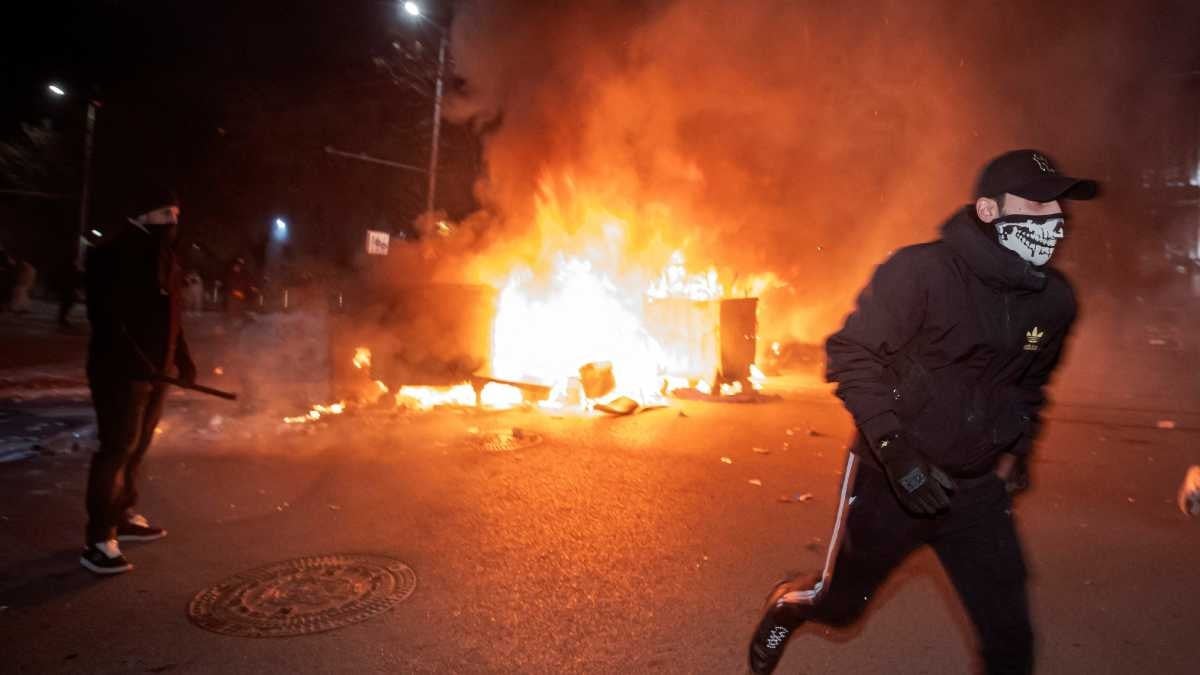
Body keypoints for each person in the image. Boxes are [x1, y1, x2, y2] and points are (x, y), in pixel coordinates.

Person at [748, 149, 1097, 674]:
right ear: (989, 211)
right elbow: (850, 354)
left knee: (1011, 644)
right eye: (1037, 205)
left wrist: (1021, 447)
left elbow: (1030, 383)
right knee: (840, 607)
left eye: (1059, 207)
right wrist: (896, 454)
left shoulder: (1055, 302)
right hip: (890, 484)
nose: (1054, 220)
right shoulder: (920, 273)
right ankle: (788, 607)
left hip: (976, 492)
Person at [80, 184, 197, 575]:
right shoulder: (111, 256)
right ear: (140, 216)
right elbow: (108, 321)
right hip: (120, 373)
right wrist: (138, 363)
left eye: (176, 214)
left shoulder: (168, 258)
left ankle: (122, 514)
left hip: (156, 374)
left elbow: (172, 318)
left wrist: (182, 359)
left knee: (138, 447)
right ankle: (98, 540)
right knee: (116, 449)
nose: (172, 221)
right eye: (165, 214)